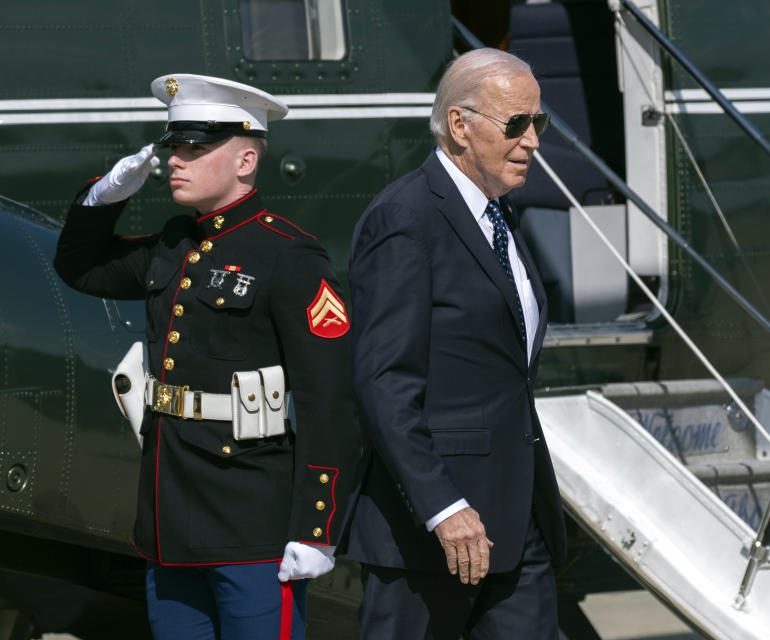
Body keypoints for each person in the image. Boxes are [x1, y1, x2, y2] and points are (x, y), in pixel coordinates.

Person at [53, 74, 360, 640]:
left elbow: (329, 402)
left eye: (195, 147)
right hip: (169, 525)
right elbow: (80, 267)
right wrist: (103, 197)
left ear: (246, 159)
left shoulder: (289, 256)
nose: (176, 160)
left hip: (255, 527)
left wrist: (316, 529)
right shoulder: (175, 243)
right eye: (174, 146)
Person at [344, 48, 567, 639]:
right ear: (460, 126)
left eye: (537, 123)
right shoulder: (405, 218)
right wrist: (443, 507)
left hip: (517, 521)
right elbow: (382, 381)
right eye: (515, 124)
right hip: (430, 533)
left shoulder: (498, 217)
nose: (532, 142)